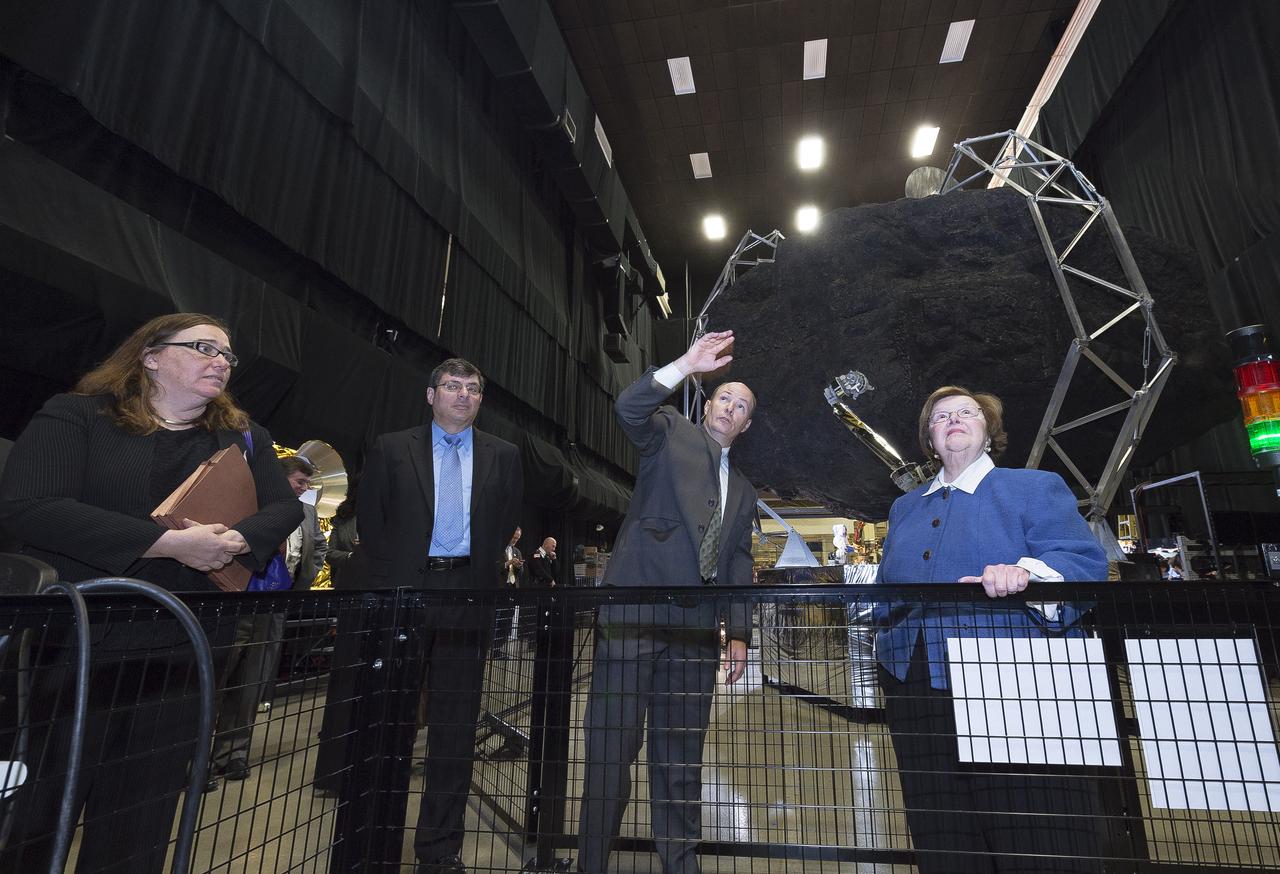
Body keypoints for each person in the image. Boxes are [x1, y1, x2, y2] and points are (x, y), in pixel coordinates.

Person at [0, 312, 302, 874]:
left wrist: (240, 538)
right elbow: (31, 506)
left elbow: (283, 507)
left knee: (143, 813)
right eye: (204, 348)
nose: (222, 361)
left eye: (228, 355)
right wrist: (165, 544)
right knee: (41, 804)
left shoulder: (243, 437)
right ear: (150, 355)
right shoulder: (77, 416)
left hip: (183, 648)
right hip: (79, 642)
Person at [876, 385, 1108, 874]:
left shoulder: (1033, 487)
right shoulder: (904, 508)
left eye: (967, 412)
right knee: (940, 823)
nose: (954, 419)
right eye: (941, 416)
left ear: (988, 431)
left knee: (1031, 823)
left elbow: (1083, 562)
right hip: (913, 685)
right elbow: (886, 589)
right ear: (930, 438)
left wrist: (1027, 573)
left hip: (1007, 679)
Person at [577, 330, 756, 874]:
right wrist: (686, 364)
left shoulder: (746, 491)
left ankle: (681, 863)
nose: (731, 406)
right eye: (725, 396)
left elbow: (739, 565)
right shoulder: (667, 433)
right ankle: (591, 863)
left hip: (696, 634)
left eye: (743, 406)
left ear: (746, 426)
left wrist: (741, 633)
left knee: (680, 759)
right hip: (632, 621)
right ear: (707, 404)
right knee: (611, 751)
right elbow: (628, 406)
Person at [359, 357, 522, 874]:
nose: (463, 395)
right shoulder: (390, 448)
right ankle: (373, 843)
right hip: (406, 595)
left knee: (453, 733)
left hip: (467, 599)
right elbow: (373, 526)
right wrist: (392, 590)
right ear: (431, 395)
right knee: (390, 722)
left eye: (473, 388)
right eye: (452, 386)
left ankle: (438, 850)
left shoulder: (505, 455)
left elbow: (503, 526)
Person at [210, 456, 326, 778]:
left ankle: (233, 754)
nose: (304, 489)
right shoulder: (250, 502)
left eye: (307, 483)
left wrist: (301, 581)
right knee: (217, 678)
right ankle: (196, 760)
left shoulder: (307, 513)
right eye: (299, 482)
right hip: (237, 602)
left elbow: (317, 548)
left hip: (275, 605)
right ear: (280, 477)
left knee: (251, 682)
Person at [492, 526, 524, 658]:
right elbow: (492, 566)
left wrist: (518, 566)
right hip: (499, 589)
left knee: (506, 621)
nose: (515, 540)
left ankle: (497, 649)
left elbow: (521, 573)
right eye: (514, 537)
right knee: (495, 619)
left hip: (511, 590)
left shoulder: (517, 551)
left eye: (518, 538)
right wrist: (507, 563)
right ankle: (489, 646)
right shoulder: (498, 547)